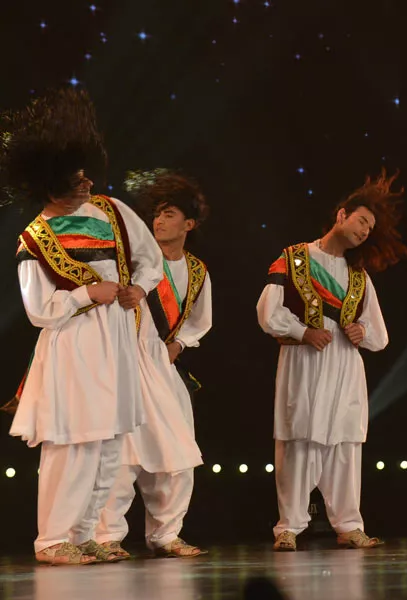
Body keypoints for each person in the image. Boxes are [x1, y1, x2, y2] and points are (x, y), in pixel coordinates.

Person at [1, 88, 164, 564]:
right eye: (76, 178)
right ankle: (53, 539)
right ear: (50, 183)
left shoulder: (113, 212)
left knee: (110, 439)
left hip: (116, 342)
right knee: (73, 441)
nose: (87, 182)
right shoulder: (35, 239)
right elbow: (38, 310)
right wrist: (84, 294)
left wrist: (140, 289)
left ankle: (85, 532)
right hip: (73, 348)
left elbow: (149, 261)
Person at [257, 170, 407, 551]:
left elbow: (379, 334)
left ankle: (349, 525)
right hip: (304, 364)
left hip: (344, 368)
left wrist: (361, 332)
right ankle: (288, 527)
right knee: (297, 442)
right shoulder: (294, 258)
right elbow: (268, 310)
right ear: (342, 215)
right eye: (362, 221)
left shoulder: (359, 277)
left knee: (344, 445)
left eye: (370, 229)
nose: (364, 232)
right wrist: (302, 332)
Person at [94, 169, 212, 558]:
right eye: (156, 214)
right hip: (127, 363)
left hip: (164, 366)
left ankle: (167, 533)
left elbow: (199, 320)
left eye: (169, 214)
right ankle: (106, 536)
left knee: (178, 453)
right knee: (122, 453)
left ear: (189, 224)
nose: (158, 222)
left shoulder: (196, 271)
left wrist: (180, 343)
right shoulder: (134, 263)